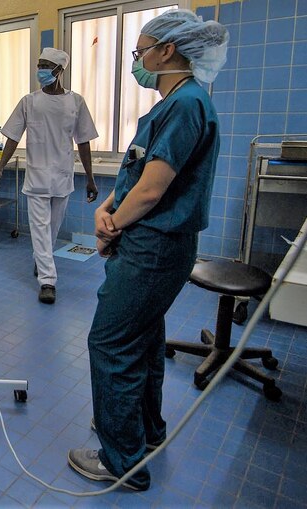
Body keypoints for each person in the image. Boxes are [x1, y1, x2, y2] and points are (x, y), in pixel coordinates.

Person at [66, 9, 228, 491]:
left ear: (168, 51)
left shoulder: (187, 105)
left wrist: (110, 225)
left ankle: (121, 461)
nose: (137, 60)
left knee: (111, 341)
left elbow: (154, 191)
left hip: (154, 249)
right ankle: (145, 431)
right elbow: (137, 171)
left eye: (141, 52)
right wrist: (108, 208)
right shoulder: (172, 103)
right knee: (144, 338)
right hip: (151, 245)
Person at [0, 48, 99, 305]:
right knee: (39, 230)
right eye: (38, 64)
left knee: (51, 229)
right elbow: (13, 137)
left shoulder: (76, 102)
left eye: (45, 65)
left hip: (62, 176)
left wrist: (90, 178)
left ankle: (42, 261)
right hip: (37, 176)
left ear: (60, 70)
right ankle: (48, 281)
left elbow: (83, 141)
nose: (40, 69)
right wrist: (0, 166)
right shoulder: (29, 101)